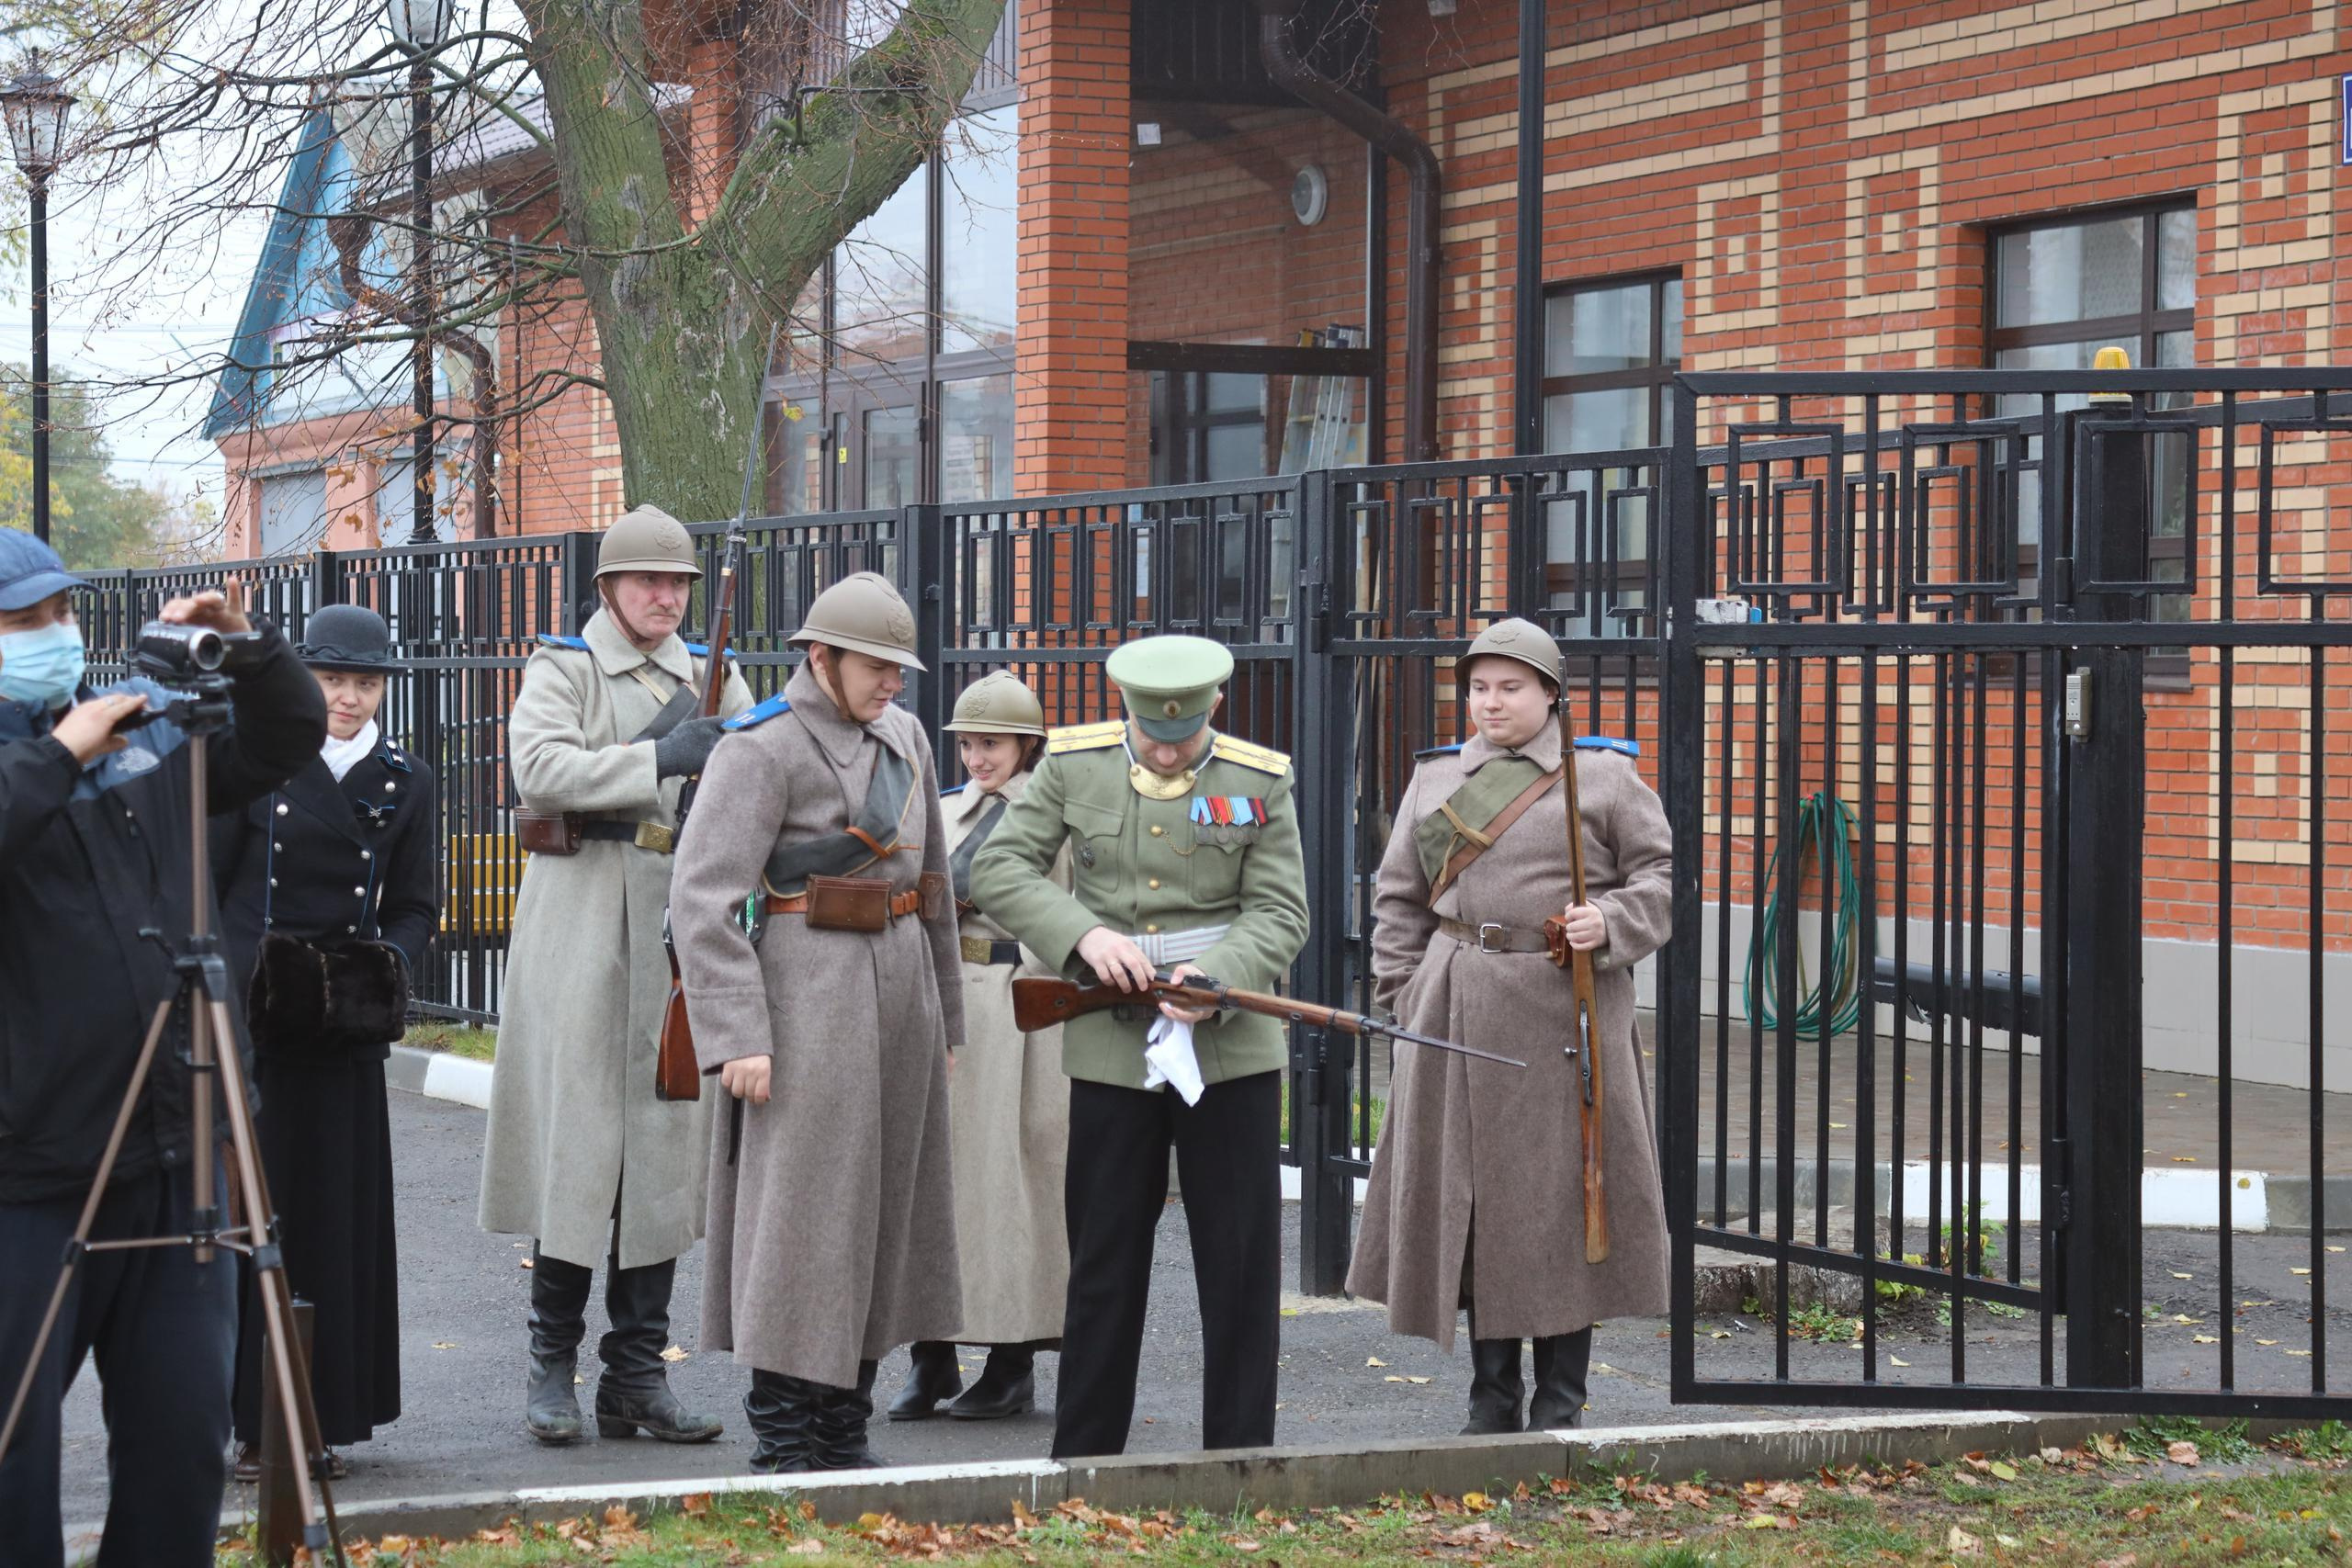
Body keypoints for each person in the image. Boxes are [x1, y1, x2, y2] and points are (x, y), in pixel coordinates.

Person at [0, 531, 327, 1568]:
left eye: (61, 613)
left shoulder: (135, 733)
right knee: (13, 1456)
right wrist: (61, 754)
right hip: (28, 1174)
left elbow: (284, 740)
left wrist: (252, 651)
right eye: (24, 622)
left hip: (176, 1157)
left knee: (183, 1444)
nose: (55, 635)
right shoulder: (61, 752)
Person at [968, 634, 1309, 1461]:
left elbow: (1281, 910)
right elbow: (999, 867)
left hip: (1227, 1045)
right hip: (1110, 1040)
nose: (1164, 751)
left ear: (1214, 707)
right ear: (1125, 709)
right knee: (1103, 1263)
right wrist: (1081, 934)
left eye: (1182, 736)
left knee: (1239, 1266)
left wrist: (1220, 975)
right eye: (1151, 734)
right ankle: (1085, 1462)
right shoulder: (1074, 766)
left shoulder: (1258, 779)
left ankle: (1239, 1461)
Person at [1345, 616, 1672, 1433]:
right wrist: (1405, 993)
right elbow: (1398, 897)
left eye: (1510, 687)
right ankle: (1492, 1401)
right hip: (1458, 1010)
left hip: (1569, 1011)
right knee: (1475, 1206)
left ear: (1552, 693)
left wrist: (1612, 921)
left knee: (1567, 1205)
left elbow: (1661, 877)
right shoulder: (1436, 779)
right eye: (1479, 687)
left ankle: (1561, 1402)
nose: (1491, 702)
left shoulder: (1602, 777)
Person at [670, 570, 964, 1474]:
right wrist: (738, 1035)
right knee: (802, 1220)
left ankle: (844, 1424)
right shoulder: (762, 748)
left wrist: (947, 1018)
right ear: (822, 658)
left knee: (886, 1214)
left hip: (901, 995)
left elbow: (933, 885)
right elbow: (703, 898)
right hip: (806, 999)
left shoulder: (907, 736)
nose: (894, 683)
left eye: (899, 669)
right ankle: (785, 1434)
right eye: (877, 666)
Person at [477, 504, 751, 1448]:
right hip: (585, 918)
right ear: (608, 588)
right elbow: (541, 769)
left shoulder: (713, 671)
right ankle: (551, 1365)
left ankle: (637, 1378)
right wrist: (662, 756)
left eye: (678, 584)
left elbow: (757, 772)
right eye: (648, 582)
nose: (666, 598)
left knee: (663, 1157)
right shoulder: (565, 667)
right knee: (577, 1145)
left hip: (676, 921)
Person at [209, 604, 438, 1480]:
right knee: (256, 1215)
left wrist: (382, 966)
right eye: (332, 679)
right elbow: (215, 883)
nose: (347, 697)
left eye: (364, 682)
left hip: (343, 1031)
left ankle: (322, 1417)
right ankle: (253, 1420)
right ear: (304, 680)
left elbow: (414, 905)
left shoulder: (406, 778)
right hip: (258, 1020)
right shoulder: (257, 759)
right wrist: (240, 978)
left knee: (334, 1225)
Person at [888, 671, 1070, 1424]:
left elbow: (1069, 912)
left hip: (1016, 1008)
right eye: (966, 743)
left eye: (991, 743)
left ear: (1028, 745)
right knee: (928, 1184)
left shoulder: (1054, 815)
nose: (976, 758)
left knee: (1009, 1191)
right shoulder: (941, 810)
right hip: (943, 996)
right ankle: (929, 1354)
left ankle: (1010, 1361)